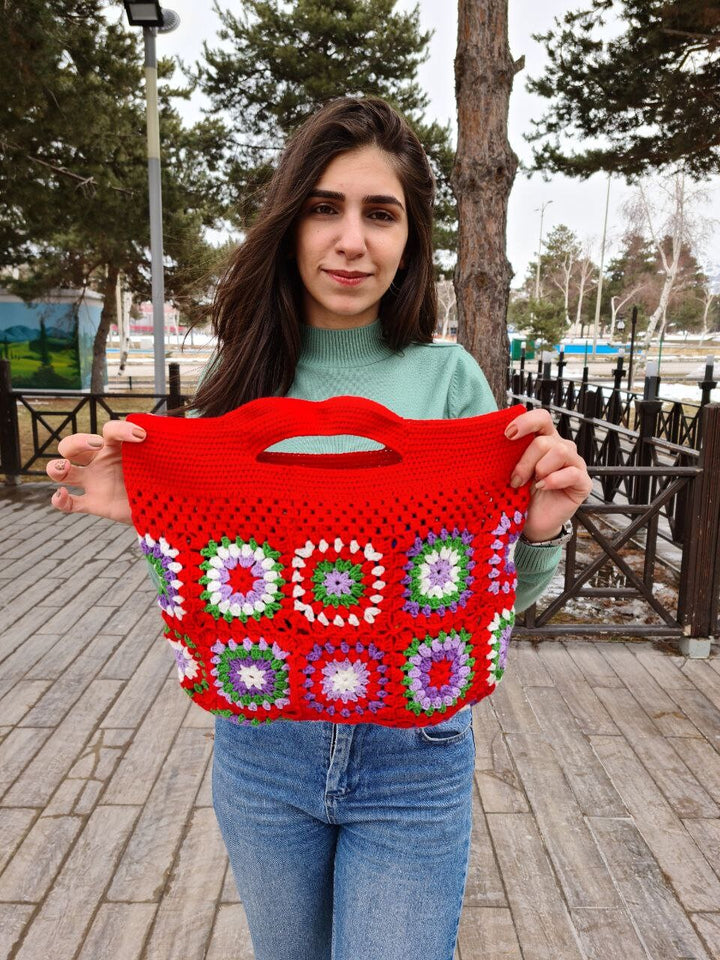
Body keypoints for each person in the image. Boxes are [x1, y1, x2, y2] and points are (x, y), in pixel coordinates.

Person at [47, 97, 593, 960]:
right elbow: (221, 583)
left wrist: (538, 535)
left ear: (410, 238)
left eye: (381, 214)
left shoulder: (450, 383)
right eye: (325, 208)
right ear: (290, 224)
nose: (352, 240)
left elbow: (489, 600)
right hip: (263, 750)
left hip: (416, 753)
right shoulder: (240, 377)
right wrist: (142, 507)